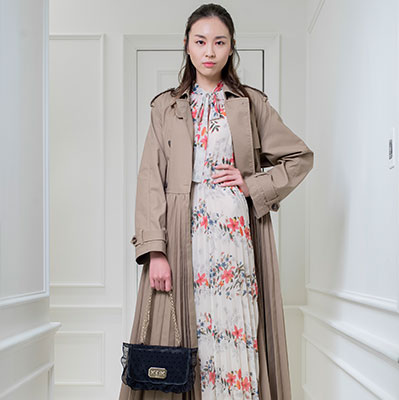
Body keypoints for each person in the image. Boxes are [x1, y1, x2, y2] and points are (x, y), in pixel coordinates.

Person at [119, 3, 314, 400]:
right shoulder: (165, 107)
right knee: (185, 340)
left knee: (235, 329)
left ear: (231, 47)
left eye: (219, 42)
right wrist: (155, 250)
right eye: (201, 41)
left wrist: (252, 184)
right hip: (182, 236)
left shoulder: (250, 103)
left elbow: (300, 157)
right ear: (187, 46)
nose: (209, 51)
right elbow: (150, 179)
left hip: (235, 240)